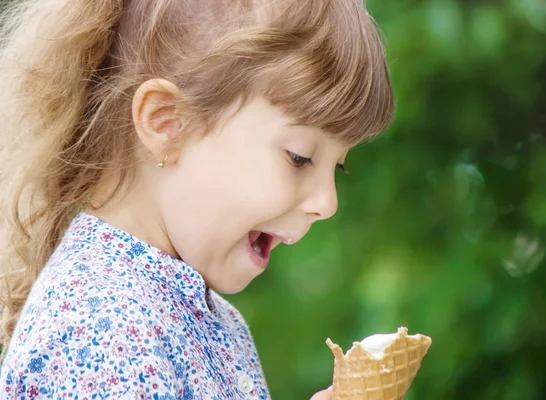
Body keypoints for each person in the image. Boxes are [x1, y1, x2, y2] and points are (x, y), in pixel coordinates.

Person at [0, 0, 394, 398]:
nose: (328, 203)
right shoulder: (104, 329)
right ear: (167, 123)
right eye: (300, 157)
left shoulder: (201, 316)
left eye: (338, 168)